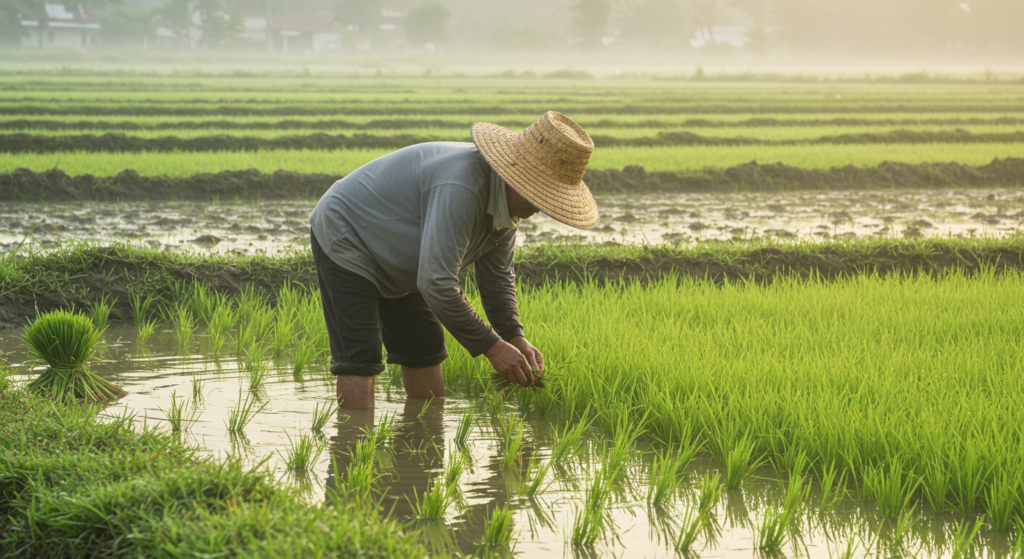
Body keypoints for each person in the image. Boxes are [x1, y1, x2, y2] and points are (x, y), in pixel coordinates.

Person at [308, 111, 600, 409]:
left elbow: (497, 278)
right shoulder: (462, 187)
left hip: (405, 255)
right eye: (541, 196)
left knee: (424, 348)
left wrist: (513, 336)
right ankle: (352, 445)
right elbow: (436, 282)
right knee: (361, 356)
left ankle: (424, 446)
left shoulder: (506, 208)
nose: (542, 207)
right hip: (349, 233)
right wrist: (493, 349)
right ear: (517, 180)